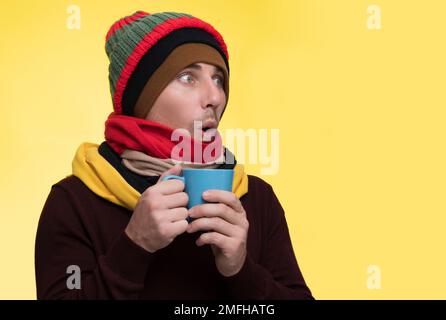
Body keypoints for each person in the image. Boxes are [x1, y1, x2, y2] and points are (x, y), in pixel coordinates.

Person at [35, 11, 313, 300]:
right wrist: (134, 245)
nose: (215, 97)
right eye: (187, 77)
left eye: (218, 79)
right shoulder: (75, 202)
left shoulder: (255, 198)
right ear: (141, 98)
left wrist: (241, 270)